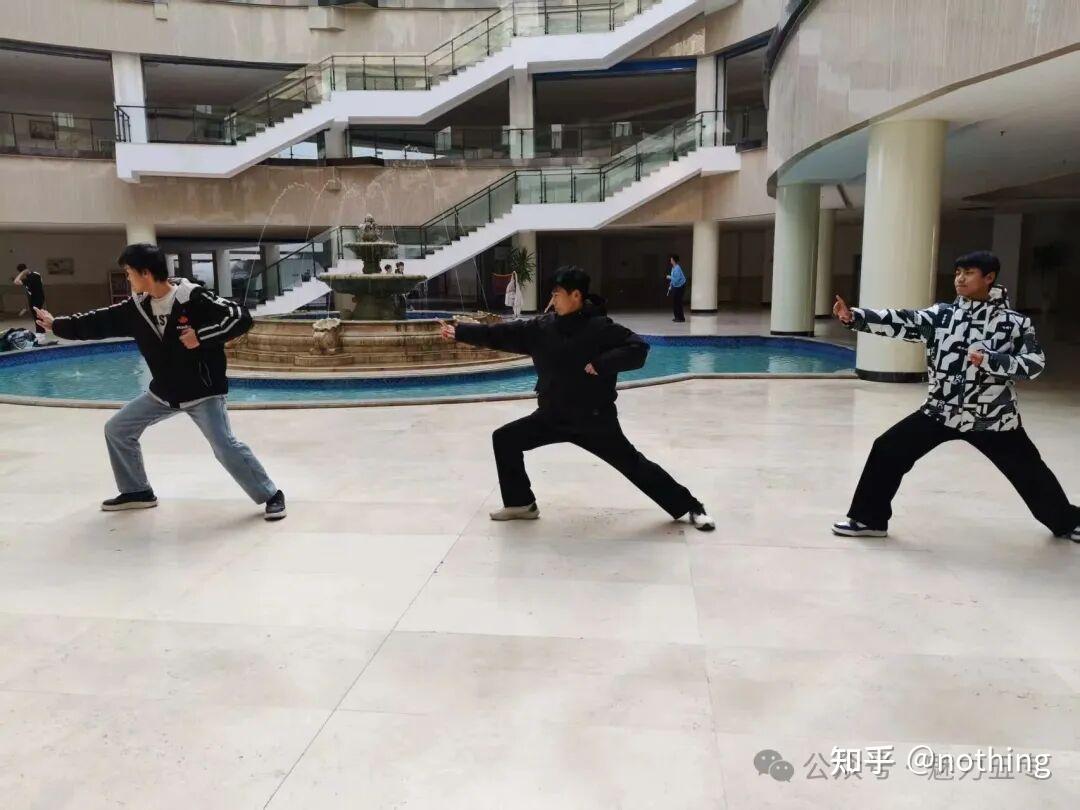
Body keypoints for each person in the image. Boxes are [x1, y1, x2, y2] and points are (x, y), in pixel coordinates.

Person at [440, 265, 715, 530]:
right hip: (552, 416)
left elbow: (638, 348)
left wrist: (602, 363)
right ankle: (521, 504)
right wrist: (460, 332)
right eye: (552, 293)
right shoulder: (542, 328)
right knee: (504, 439)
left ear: (576, 295)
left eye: (557, 293)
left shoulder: (600, 328)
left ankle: (692, 507)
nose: (553, 299)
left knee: (634, 465)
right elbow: (501, 334)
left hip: (594, 420)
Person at [831, 250, 1079, 542]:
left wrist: (991, 361)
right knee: (887, 449)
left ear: (989, 278)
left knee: (1030, 472)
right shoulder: (942, 315)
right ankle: (869, 520)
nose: (960, 279)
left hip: (993, 418)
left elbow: (1034, 364)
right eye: (958, 272)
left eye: (969, 273)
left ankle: (1068, 523)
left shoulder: (1015, 323)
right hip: (941, 411)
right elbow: (903, 321)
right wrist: (855, 317)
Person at [34, 243, 287, 520]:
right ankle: (137, 491)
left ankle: (271, 494)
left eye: (129, 272)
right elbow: (99, 322)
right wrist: (57, 325)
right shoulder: (137, 307)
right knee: (117, 429)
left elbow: (240, 317)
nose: (127, 278)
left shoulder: (192, 297)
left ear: (145, 273)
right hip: (165, 392)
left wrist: (201, 336)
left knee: (224, 446)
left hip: (202, 391)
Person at [13, 263, 47, 340]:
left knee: (37, 315)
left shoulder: (34, 275)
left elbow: (16, 281)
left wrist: (22, 273)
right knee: (35, 315)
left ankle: (41, 333)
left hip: (38, 298)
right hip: (32, 298)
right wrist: (23, 273)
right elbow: (16, 282)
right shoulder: (28, 279)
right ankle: (40, 332)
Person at [666, 254, 686, 322]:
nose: (670, 260)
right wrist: (670, 285)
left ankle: (681, 318)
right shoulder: (673, 268)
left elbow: (676, 279)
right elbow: (673, 279)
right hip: (676, 286)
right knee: (675, 301)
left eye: (671, 259)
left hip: (681, 286)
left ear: (674, 260)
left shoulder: (677, 268)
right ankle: (676, 317)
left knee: (678, 302)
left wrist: (669, 277)